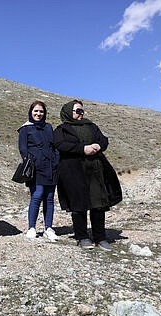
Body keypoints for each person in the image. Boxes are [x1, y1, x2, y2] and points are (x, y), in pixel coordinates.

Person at [54, 99, 122, 251]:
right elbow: (60, 145)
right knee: (79, 204)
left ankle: (100, 237)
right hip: (74, 171)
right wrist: (82, 149)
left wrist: (98, 145)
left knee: (98, 203)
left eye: (82, 111)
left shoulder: (91, 126)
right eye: (78, 111)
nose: (81, 114)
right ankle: (82, 237)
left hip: (95, 170)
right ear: (69, 112)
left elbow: (103, 140)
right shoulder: (62, 129)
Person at [17, 101, 60, 241]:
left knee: (49, 198)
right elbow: (23, 149)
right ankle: (32, 227)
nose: (38, 114)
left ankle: (48, 228)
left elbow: (54, 145)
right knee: (37, 195)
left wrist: (56, 159)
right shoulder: (25, 128)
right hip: (36, 168)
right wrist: (31, 161)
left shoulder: (48, 127)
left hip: (51, 167)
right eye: (35, 111)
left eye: (41, 111)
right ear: (31, 112)